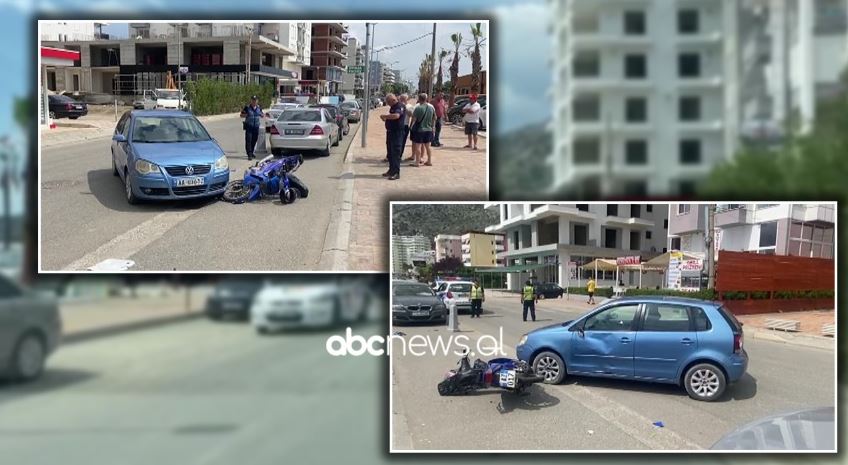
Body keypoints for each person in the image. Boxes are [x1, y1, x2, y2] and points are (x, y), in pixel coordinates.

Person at [380, 93, 406, 181]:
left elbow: (396, 116)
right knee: (390, 153)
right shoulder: (393, 107)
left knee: (395, 153)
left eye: (388, 102)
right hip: (390, 133)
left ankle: (396, 172)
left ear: (393, 100)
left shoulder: (400, 106)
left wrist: (385, 116)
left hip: (397, 133)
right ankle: (391, 170)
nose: (387, 104)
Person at [408, 93, 436, 167]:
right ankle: (429, 161)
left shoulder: (418, 108)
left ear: (419, 99)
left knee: (418, 146)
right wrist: (433, 127)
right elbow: (434, 118)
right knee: (428, 146)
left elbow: (414, 120)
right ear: (426, 99)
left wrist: (411, 128)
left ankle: (417, 162)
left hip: (420, 130)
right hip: (429, 129)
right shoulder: (431, 107)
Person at [240, 95, 263, 160]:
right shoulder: (247, 107)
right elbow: (241, 115)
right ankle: (249, 154)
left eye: (255, 100)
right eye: (253, 100)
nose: (254, 101)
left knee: (254, 140)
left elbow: (262, 114)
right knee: (248, 141)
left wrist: (262, 115)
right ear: (251, 101)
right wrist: (247, 114)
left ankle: (252, 152)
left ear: (257, 101)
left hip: (256, 127)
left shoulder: (259, 107)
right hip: (249, 127)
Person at [398, 94, 414, 160]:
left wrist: (405, 108)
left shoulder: (410, 106)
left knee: (402, 142)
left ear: (406, 99)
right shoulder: (398, 105)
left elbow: (411, 115)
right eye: (401, 98)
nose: (401, 100)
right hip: (397, 125)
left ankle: (399, 156)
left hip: (405, 125)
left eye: (403, 99)